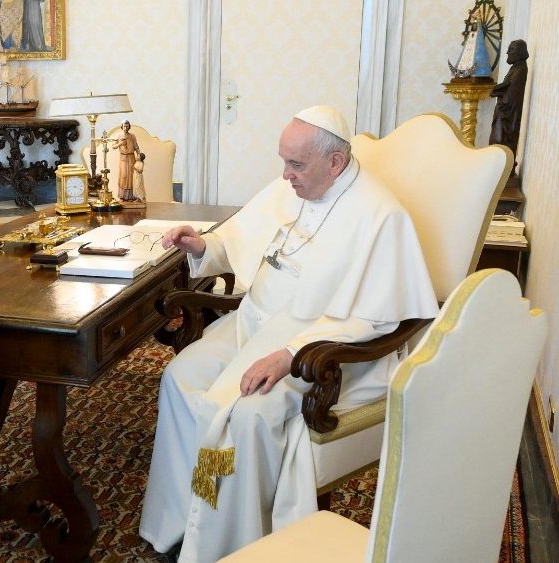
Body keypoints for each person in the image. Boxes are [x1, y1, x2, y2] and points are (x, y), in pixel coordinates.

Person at [139, 106, 438, 561]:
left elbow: (377, 320)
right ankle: (182, 519)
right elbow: (241, 236)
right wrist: (205, 246)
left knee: (248, 415)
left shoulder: (380, 215)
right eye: (284, 161)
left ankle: (233, 545)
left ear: (334, 163)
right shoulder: (295, 186)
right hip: (251, 324)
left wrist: (289, 355)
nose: (285, 175)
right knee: (178, 378)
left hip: (322, 345)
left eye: (295, 164)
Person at [489, 39, 529, 173]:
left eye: (511, 49)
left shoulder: (521, 70)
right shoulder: (516, 68)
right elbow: (507, 85)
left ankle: (503, 170)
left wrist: (496, 91)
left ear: (520, 52)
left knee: (500, 139)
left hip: (508, 114)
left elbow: (511, 93)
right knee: (496, 139)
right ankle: (498, 167)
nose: (507, 52)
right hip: (504, 110)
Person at [110, 120, 141, 201]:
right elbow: (113, 146)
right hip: (123, 157)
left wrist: (139, 155)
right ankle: (122, 196)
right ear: (122, 126)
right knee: (124, 175)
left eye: (127, 126)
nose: (125, 128)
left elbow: (136, 147)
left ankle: (131, 196)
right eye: (124, 126)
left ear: (129, 127)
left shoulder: (132, 136)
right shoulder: (118, 135)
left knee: (131, 176)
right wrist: (121, 143)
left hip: (131, 157)